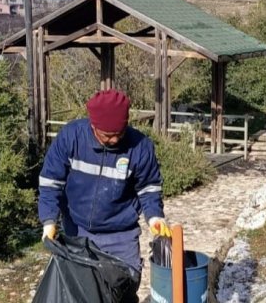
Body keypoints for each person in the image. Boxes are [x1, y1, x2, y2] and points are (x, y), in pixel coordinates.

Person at [38, 89, 171, 279]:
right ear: (93, 126)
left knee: (124, 286)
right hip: (77, 231)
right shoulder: (71, 137)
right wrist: (49, 221)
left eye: (120, 133)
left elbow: (149, 188)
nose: (115, 139)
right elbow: (50, 183)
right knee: (80, 291)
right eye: (108, 135)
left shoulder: (140, 147)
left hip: (121, 235)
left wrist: (155, 217)